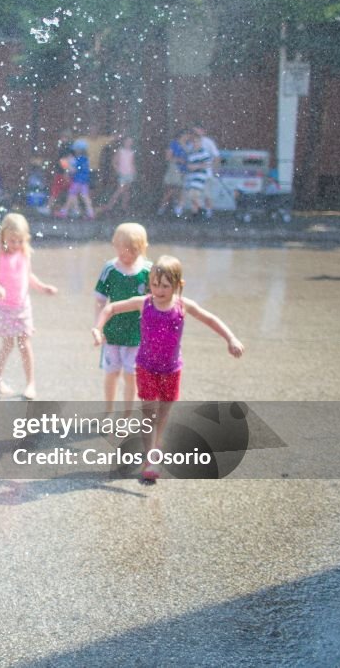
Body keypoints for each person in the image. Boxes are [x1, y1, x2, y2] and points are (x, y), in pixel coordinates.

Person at [92, 255, 244, 483]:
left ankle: (157, 447)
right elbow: (111, 308)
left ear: (177, 285)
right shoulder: (144, 302)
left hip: (172, 370)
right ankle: (149, 456)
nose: (159, 290)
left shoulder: (183, 306)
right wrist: (97, 328)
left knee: (163, 413)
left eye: (165, 285)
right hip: (146, 367)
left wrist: (230, 338)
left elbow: (210, 318)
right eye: (154, 284)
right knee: (148, 412)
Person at [0, 213, 58, 400]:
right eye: (12, 240)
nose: (16, 244)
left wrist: (43, 287)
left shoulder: (24, 252)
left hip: (22, 307)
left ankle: (30, 384)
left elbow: (29, 277)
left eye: (20, 240)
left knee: (25, 344)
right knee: (7, 344)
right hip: (4, 307)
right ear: (3, 236)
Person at [94, 223, 152, 415]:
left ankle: (126, 415)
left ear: (142, 249)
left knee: (131, 375)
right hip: (112, 332)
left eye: (132, 251)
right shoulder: (110, 269)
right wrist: (98, 328)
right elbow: (100, 301)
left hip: (137, 335)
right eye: (120, 250)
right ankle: (108, 412)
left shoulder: (149, 271)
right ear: (114, 245)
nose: (125, 255)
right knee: (111, 373)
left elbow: (156, 303)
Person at [157, 130, 188, 217]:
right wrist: (179, 160)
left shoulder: (186, 145)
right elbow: (168, 157)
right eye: (186, 135)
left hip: (183, 171)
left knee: (179, 191)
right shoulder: (173, 144)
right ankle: (162, 209)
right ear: (182, 136)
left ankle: (177, 211)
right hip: (174, 170)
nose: (187, 137)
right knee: (171, 190)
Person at [101, 136, 136, 214]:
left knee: (127, 191)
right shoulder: (120, 151)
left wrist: (134, 171)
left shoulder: (132, 152)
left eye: (130, 142)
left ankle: (124, 208)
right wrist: (118, 170)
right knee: (119, 190)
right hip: (122, 173)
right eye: (127, 141)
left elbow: (132, 163)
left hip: (130, 173)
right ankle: (109, 206)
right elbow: (114, 162)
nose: (129, 143)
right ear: (124, 142)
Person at [61, 139, 95, 219]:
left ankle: (64, 212)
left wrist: (67, 165)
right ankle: (90, 213)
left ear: (78, 150)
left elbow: (74, 170)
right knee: (85, 196)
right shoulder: (85, 159)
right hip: (84, 181)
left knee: (71, 195)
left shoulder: (78, 159)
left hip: (77, 180)